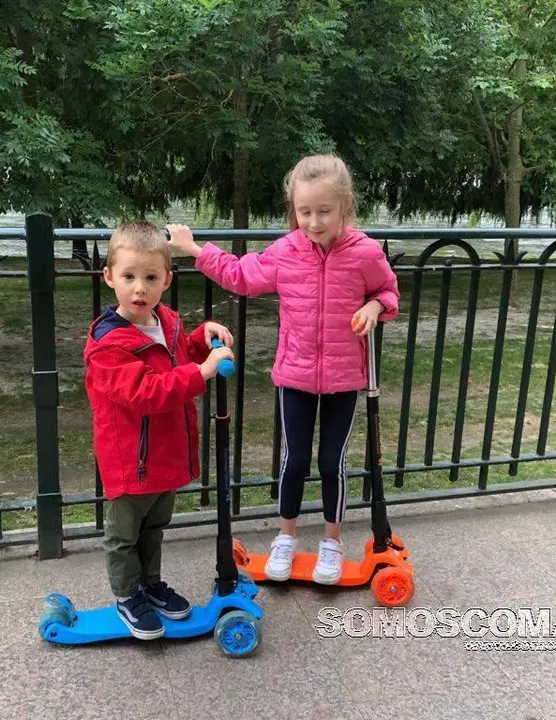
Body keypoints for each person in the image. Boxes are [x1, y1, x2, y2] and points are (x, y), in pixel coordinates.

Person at [166, 153, 399, 585]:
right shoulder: (286, 251)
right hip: (294, 375)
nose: (313, 221)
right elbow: (240, 275)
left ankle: (332, 542)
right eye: (304, 211)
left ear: (345, 205)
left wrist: (373, 305)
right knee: (293, 461)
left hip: (346, 379)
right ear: (293, 207)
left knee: (333, 462)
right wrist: (195, 249)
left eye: (324, 211)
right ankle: (286, 537)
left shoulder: (365, 252)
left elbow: (389, 292)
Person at [84, 220, 235, 639]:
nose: (139, 289)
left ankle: (150, 585)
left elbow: (178, 353)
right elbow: (146, 391)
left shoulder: (164, 321)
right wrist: (202, 374)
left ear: (166, 280)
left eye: (150, 278)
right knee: (124, 535)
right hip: (131, 460)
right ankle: (126, 594)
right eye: (129, 277)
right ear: (110, 277)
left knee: (154, 527)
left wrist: (202, 338)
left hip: (162, 456)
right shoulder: (108, 345)